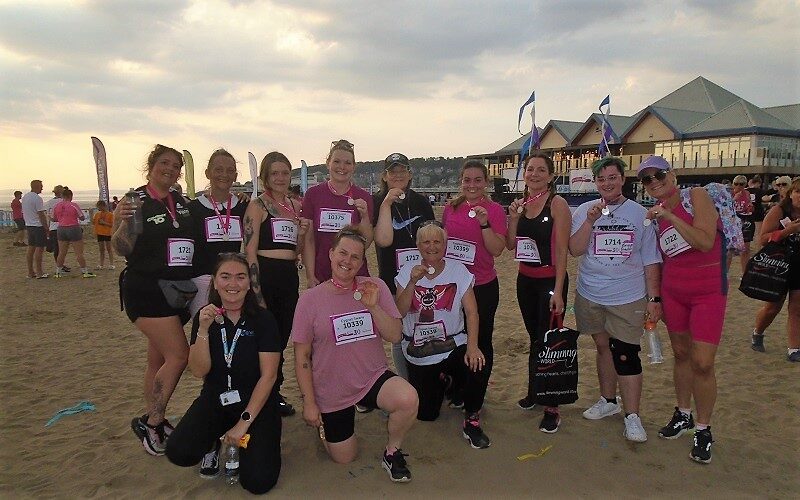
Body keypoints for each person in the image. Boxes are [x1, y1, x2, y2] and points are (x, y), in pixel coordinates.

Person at [291, 226, 418, 483]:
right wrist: (310, 402)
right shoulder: (310, 299)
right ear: (331, 254)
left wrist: (372, 307)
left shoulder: (376, 287)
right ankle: (326, 426)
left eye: (355, 257)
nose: (347, 261)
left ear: (362, 262)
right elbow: (302, 357)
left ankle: (392, 451)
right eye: (343, 253)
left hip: (371, 378)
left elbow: (395, 335)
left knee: (408, 398)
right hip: (331, 389)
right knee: (344, 457)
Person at [165, 253, 282, 494]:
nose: (233, 284)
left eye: (240, 277)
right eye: (225, 277)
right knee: (179, 451)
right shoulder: (205, 318)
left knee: (258, 482)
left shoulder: (264, 320)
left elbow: (268, 376)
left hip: (255, 405)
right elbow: (198, 370)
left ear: (249, 283)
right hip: (216, 399)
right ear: (215, 282)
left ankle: (250, 440)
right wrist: (203, 331)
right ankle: (213, 443)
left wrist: (243, 423)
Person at [639, 155, 726, 464]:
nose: (654, 181)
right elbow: (658, 261)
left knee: (703, 362)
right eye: (646, 179)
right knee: (681, 354)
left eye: (658, 174)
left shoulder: (695, 197)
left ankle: (703, 428)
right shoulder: (652, 216)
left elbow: (704, 241)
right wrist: (656, 300)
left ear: (672, 174)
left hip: (708, 292)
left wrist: (671, 216)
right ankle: (683, 413)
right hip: (674, 292)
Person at [568, 156, 662, 442]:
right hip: (590, 292)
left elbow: (650, 259)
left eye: (612, 177)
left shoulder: (639, 214)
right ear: (595, 182)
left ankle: (632, 415)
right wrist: (590, 221)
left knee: (625, 352)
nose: (607, 183)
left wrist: (654, 298)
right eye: (601, 179)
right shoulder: (585, 209)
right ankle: (608, 401)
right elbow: (575, 249)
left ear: (623, 179)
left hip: (628, 295)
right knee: (602, 346)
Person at [112, 144, 194, 456]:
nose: (170, 169)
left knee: (157, 361)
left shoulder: (181, 201)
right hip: (145, 290)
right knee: (180, 356)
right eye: (164, 163)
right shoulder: (136, 200)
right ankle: (155, 423)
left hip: (175, 292)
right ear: (151, 166)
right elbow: (122, 247)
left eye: (176, 166)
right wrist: (119, 221)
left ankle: (151, 418)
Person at [395, 221, 490, 448]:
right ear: (418, 245)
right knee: (427, 414)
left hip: (452, 342)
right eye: (426, 242)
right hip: (419, 349)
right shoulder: (407, 271)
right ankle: (444, 382)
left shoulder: (458, 270)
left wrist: (473, 346)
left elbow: (472, 312)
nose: (432, 247)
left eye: (437, 241)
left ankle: (472, 418)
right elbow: (398, 311)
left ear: (445, 244)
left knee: (476, 363)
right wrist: (412, 282)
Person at [507, 153, 571, 433]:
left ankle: (552, 407)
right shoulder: (522, 204)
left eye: (540, 170)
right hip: (525, 281)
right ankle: (535, 392)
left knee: (550, 342)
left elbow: (561, 251)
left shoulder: (557, 203)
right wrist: (512, 217)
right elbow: (511, 244)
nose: (533, 174)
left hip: (549, 282)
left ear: (550, 175)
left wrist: (558, 290)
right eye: (530, 169)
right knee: (535, 339)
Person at [244, 151, 310, 418]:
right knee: (264, 338)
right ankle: (262, 392)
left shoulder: (295, 206)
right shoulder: (258, 206)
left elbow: (297, 251)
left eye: (285, 173)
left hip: (288, 275)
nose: (280, 178)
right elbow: (249, 251)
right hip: (265, 274)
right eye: (275, 173)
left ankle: (275, 391)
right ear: (265, 177)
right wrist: (256, 291)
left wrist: (303, 235)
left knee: (282, 337)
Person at [442, 160, 507, 413]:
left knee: (480, 340)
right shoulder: (451, 208)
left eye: (477, 180)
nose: (471, 184)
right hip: (453, 286)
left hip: (482, 286)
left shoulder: (494, 210)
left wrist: (484, 223)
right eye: (467, 180)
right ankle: (458, 388)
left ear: (486, 183)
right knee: (457, 339)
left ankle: (476, 392)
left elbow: (497, 250)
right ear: (461, 182)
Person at [373, 152, 435, 379]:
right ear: (385, 176)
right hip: (392, 275)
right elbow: (382, 240)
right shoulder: (377, 201)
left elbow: (432, 237)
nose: (398, 175)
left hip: (422, 275)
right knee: (398, 333)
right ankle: (406, 378)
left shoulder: (420, 202)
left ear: (409, 174)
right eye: (392, 171)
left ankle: (424, 375)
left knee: (421, 326)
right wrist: (387, 203)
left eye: (402, 170)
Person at [301, 140, 374, 287]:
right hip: (321, 273)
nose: (342, 167)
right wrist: (310, 274)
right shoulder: (313, 194)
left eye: (347, 163)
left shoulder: (363, 197)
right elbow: (308, 240)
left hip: (353, 273)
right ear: (328, 163)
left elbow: (366, 242)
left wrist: (365, 216)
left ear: (354, 167)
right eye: (337, 161)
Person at [187, 149, 248, 319]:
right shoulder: (193, 208)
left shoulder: (244, 206)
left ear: (235, 176)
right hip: (202, 280)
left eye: (230, 171)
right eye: (218, 169)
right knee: (204, 331)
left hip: (233, 281)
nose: (224, 175)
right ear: (208, 173)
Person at [750, 178, 800, 361]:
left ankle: (794, 348)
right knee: (773, 307)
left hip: (798, 264)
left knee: (796, 308)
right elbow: (762, 239)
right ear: (791, 194)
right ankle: (758, 332)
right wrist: (789, 230)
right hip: (778, 263)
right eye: (798, 192)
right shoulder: (779, 210)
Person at [52, 188, 95, 278]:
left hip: (61, 228)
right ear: (70, 196)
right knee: (79, 252)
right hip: (73, 227)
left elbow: (54, 219)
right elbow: (82, 217)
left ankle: (58, 272)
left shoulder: (57, 206)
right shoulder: (73, 205)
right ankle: (84, 271)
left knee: (62, 252)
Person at [22, 179, 49, 278]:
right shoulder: (37, 198)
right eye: (41, 186)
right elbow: (41, 214)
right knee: (39, 248)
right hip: (37, 226)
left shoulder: (25, 197)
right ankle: (39, 272)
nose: (42, 188)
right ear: (37, 186)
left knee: (31, 248)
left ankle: (30, 272)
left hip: (29, 225)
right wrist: (46, 227)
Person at [729, 175, 754, 274]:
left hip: (745, 220)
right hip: (732, 222)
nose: (738, 186)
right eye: (736, 184)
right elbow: (725, 207)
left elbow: (749, 206)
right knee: (729, 249)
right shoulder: (729, 193)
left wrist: (750, 207)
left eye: (741, 184)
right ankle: (725, 273)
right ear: (733, 184)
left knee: (745, 249)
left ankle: (745, 273)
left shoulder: (747, 193)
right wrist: (734, 198)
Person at [45, 185, 67, 271]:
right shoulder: (63, 201)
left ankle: (59, 265)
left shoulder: (49, 202)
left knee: (57, 248)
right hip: (62, 226)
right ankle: (60, 265)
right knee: (62, 248)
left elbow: (48, 215)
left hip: (53, 227)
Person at [92, 200, 115, 269]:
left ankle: (111, 264)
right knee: (101, 249)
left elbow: (112, 225)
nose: (99, 208)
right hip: (99, 233)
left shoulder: (110, 214)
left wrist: (104, 223)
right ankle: (101, 264)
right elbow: (94, 222)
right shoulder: (97, 214)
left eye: (100, 207)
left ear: (104, 206)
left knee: (109, 249)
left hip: (107, 233)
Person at [747, 175, 765, 243]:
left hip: (747, 214)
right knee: (758, 233)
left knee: (747, 233)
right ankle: (756, 250)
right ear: (758, 183)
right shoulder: (760, 191)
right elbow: (764, 199)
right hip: (758, 214)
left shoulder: (746, 191)